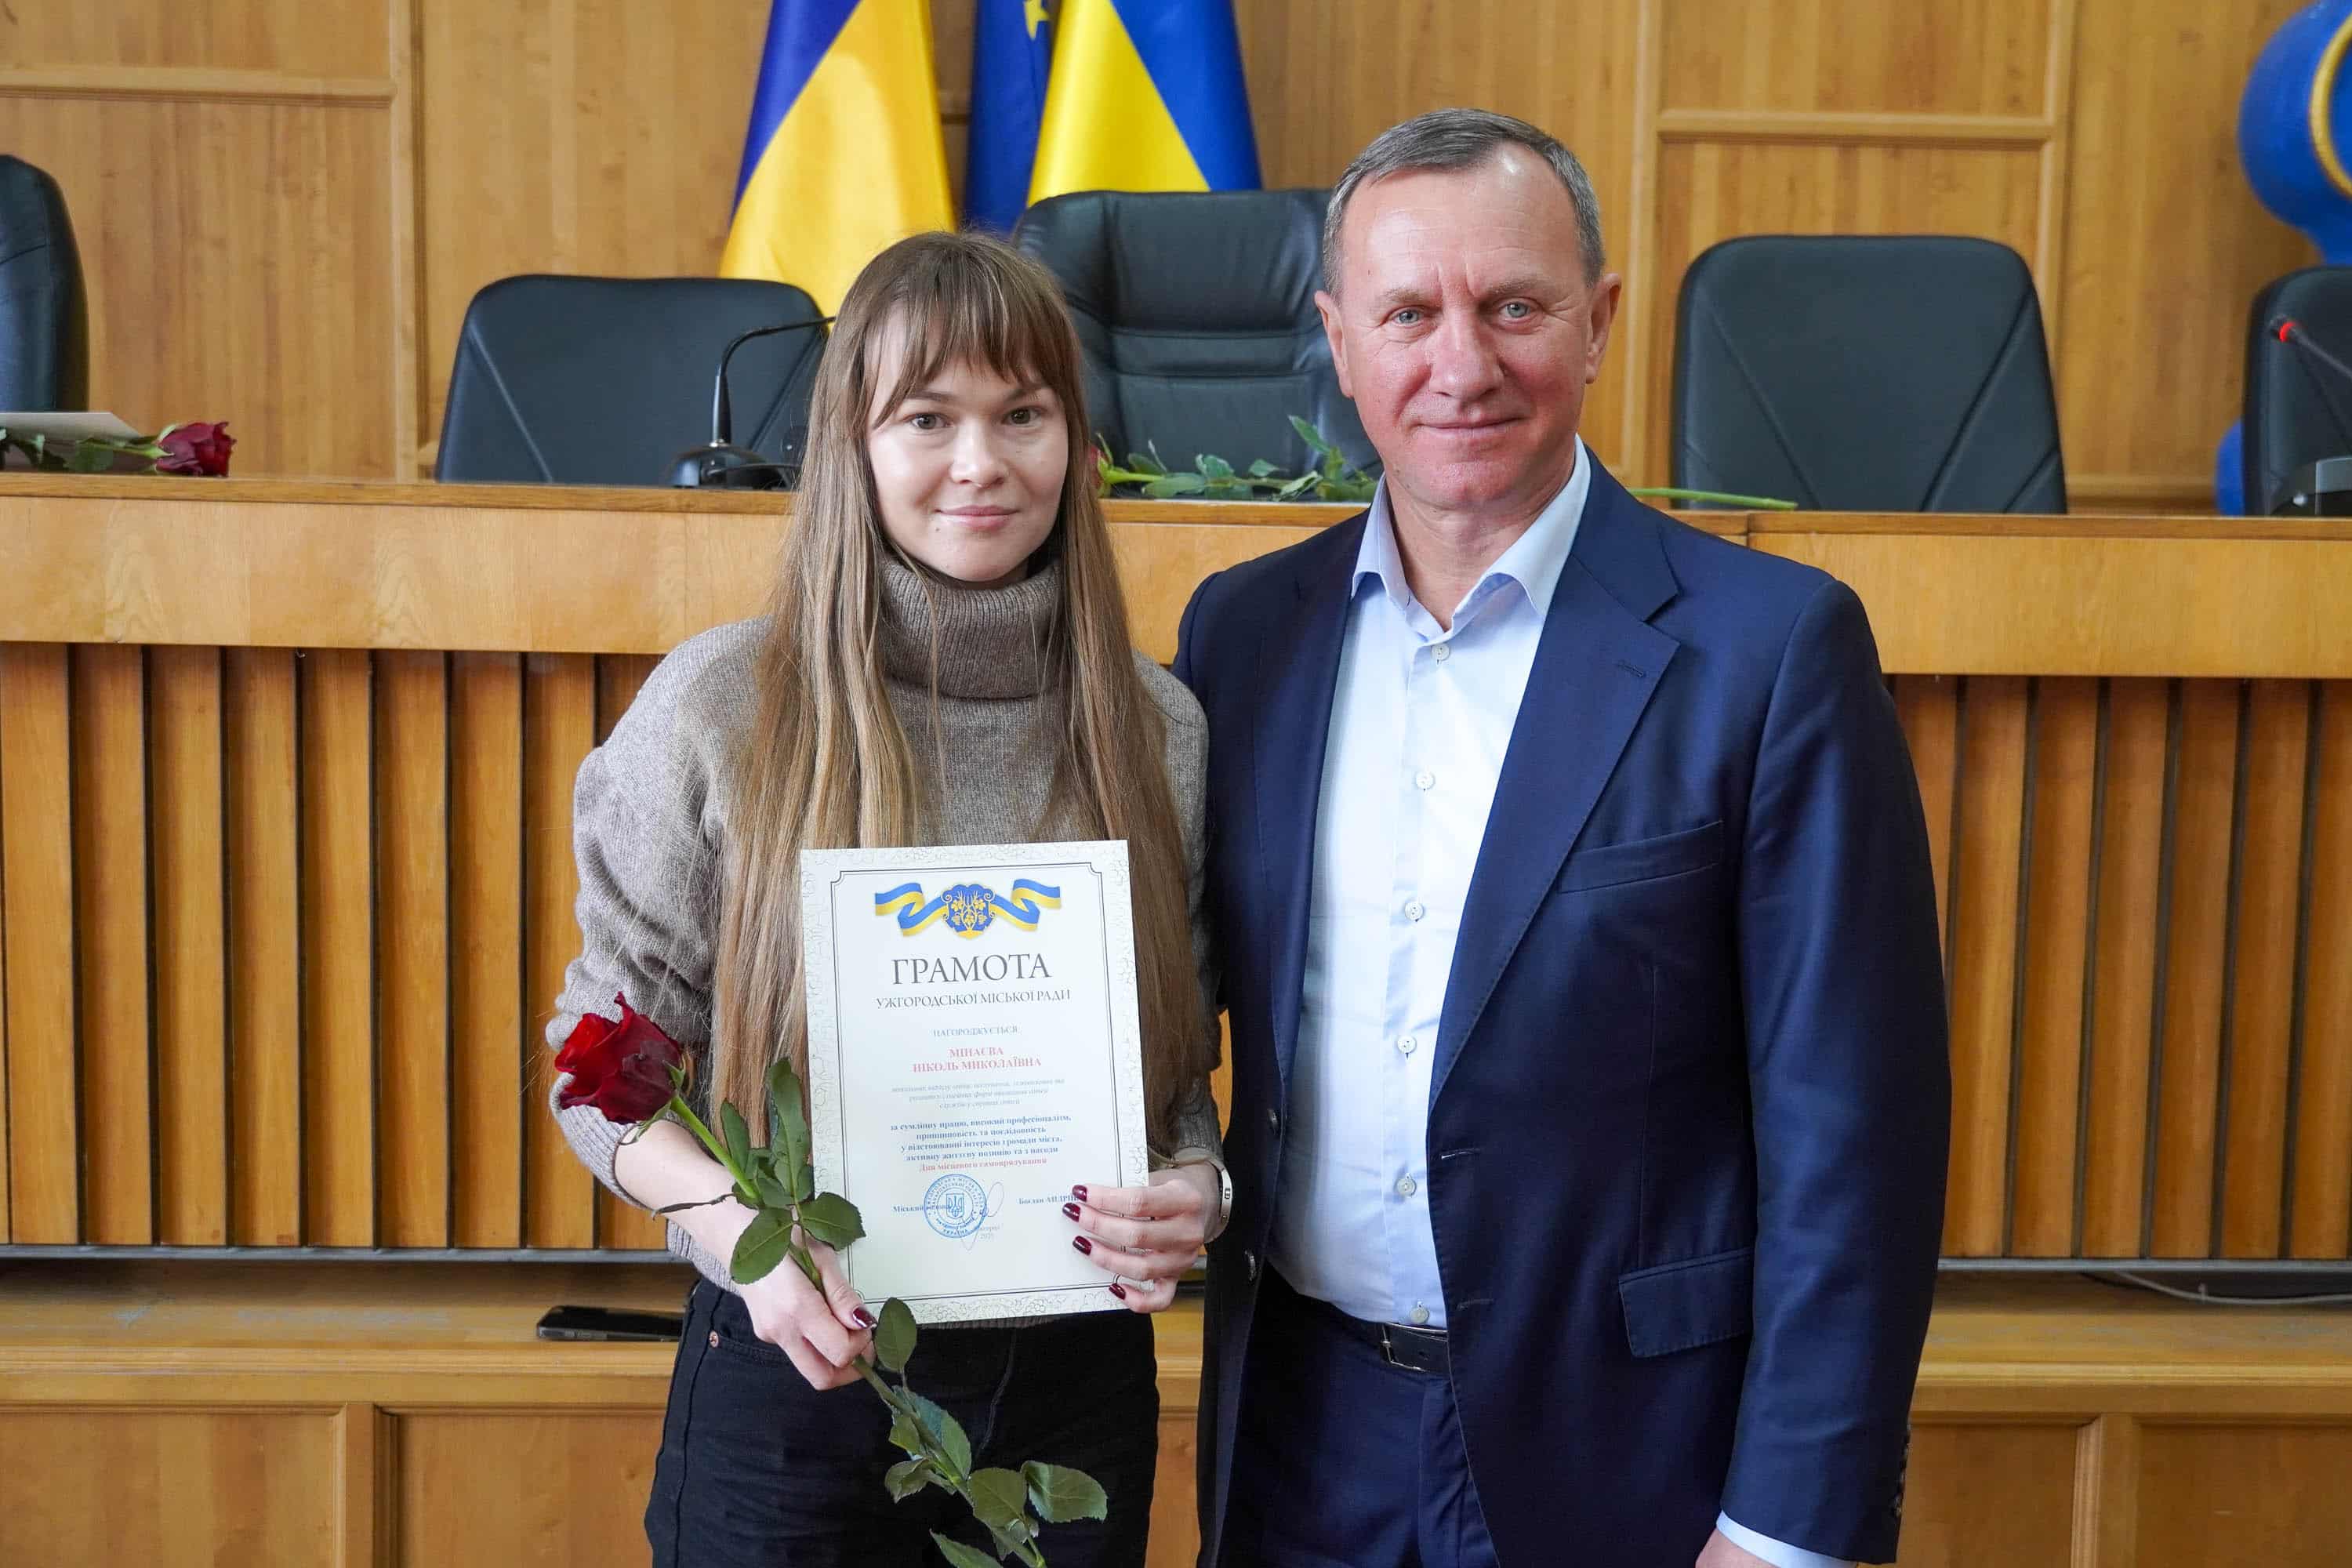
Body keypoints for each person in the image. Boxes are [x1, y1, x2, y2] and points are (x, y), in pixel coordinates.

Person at [1173, 109, 1950, 1568]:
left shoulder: (1768, 653)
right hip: (1297, 1441)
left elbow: (1856, 1137)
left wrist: (1788, 1527)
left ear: (1596, 323)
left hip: (1630, 1461)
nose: (1460, 363)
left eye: (1513, 306)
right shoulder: (1242, 636)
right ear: (1339, 342)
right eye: (1408, 312)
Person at [547, 231, 1229, 1568]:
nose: (981, 463)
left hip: (1073, 1390)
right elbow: (602, 1077)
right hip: (791, 1375)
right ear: (851, 444)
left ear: (1076, 445)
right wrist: (736, 1226)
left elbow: (1177, 1091)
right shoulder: (720, 705)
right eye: (928, 418)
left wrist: (1195, 1197)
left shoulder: (1160, 727)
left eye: (1022, 414)